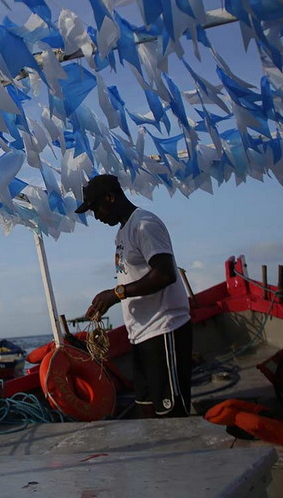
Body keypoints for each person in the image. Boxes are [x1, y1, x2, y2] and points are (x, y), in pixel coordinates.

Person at [78, 174, 192, 418]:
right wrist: (106, 301)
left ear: (110, 197)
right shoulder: (121, 233)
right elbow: (132, 279)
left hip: (163, 329)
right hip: (140, 336)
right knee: (147, 412)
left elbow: (164, 273)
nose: (96, 216)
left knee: (170, 416)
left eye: (96, 208)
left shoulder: (144, 223)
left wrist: (116, 294)